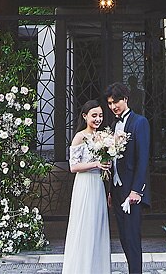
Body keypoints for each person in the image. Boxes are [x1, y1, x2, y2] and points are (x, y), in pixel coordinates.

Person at [62, 99, 111, 274]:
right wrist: (96, 164)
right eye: (94, 115)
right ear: (85, 116)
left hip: (98, 185)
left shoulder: (101, 137)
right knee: (85, 225)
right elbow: (73, 167)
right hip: (84, 184)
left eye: (100, 115)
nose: (98, 119)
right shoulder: (80, 136)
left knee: (98, 225)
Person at [106, 81, 150, 274]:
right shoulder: (113, 125)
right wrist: (110, 190)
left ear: (125, 99)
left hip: (131, 190)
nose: (113, 106)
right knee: (123, 236)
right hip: (116, 189)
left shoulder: (139, 122)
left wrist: (136, 190)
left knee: (132, 237)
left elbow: (143, 159)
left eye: (116, 101)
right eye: (109, 103)